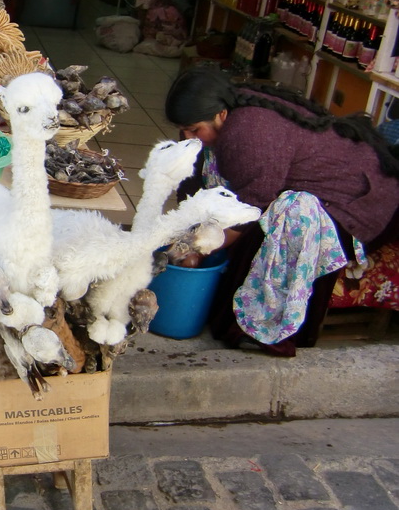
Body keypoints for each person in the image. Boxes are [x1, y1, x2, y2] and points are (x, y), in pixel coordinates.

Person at [164, 67, 399, 356]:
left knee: (270, 230)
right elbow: (192, 182)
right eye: (184, 129)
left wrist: (199, 248)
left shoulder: (249, 132)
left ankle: (254, 326)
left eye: (194, 129)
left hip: (361, 204)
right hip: (334, 185)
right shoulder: (224, 112)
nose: (189, 136)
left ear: (221, 114)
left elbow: (250, 209)